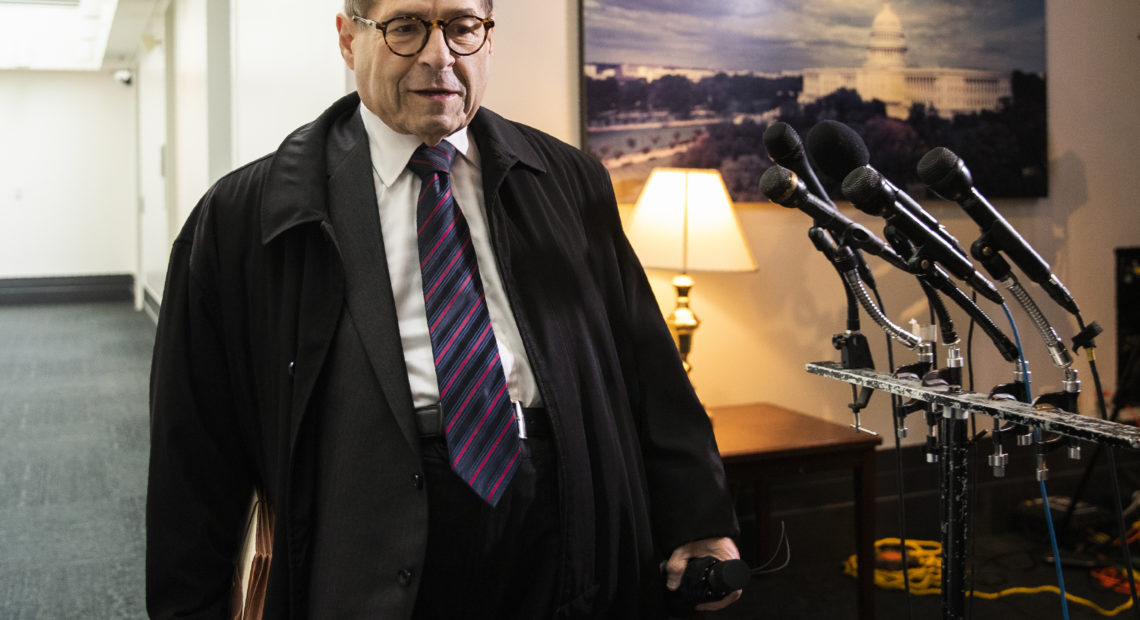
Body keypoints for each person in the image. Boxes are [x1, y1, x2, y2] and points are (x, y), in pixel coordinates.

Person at [145, 0, 742, 617]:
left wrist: (698, 515)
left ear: (487, 39)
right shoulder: (244, 217)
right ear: (350, 40)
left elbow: (648, 365)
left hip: (554, 531)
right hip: (367, 542)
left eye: (461, 27)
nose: (439, 56)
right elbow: (192, 458)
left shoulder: (567, 181)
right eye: (405, 27)